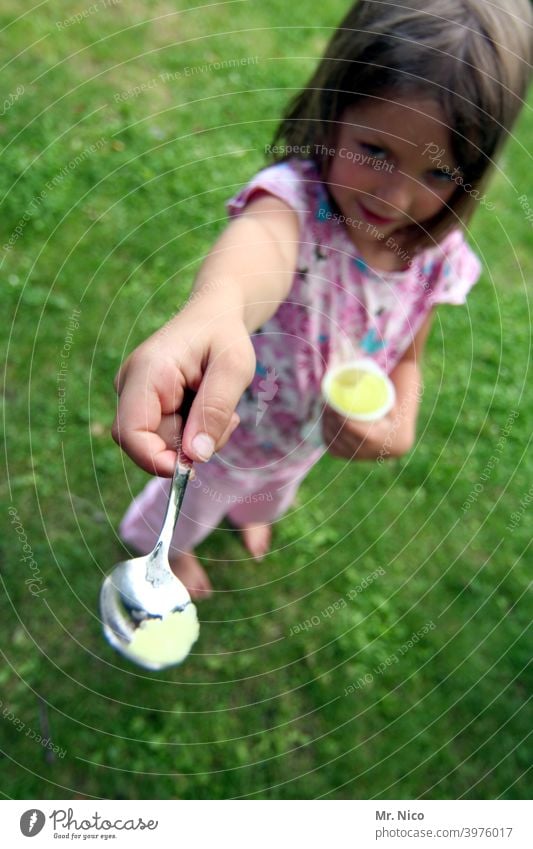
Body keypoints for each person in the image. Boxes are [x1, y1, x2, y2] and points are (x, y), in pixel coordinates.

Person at [113, 0, 532, 599]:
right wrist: (215, 311)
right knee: (193, 502)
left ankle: (250, 511)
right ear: (334, 111)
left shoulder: (436, 253)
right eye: (377, 150)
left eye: (437, 173)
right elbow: (258, 252)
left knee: (270, 493)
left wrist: (399, 424)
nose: (395, 195)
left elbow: (409, 354)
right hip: (227, 435)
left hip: (301, 442)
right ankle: (168, 552)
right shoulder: (295, 206)